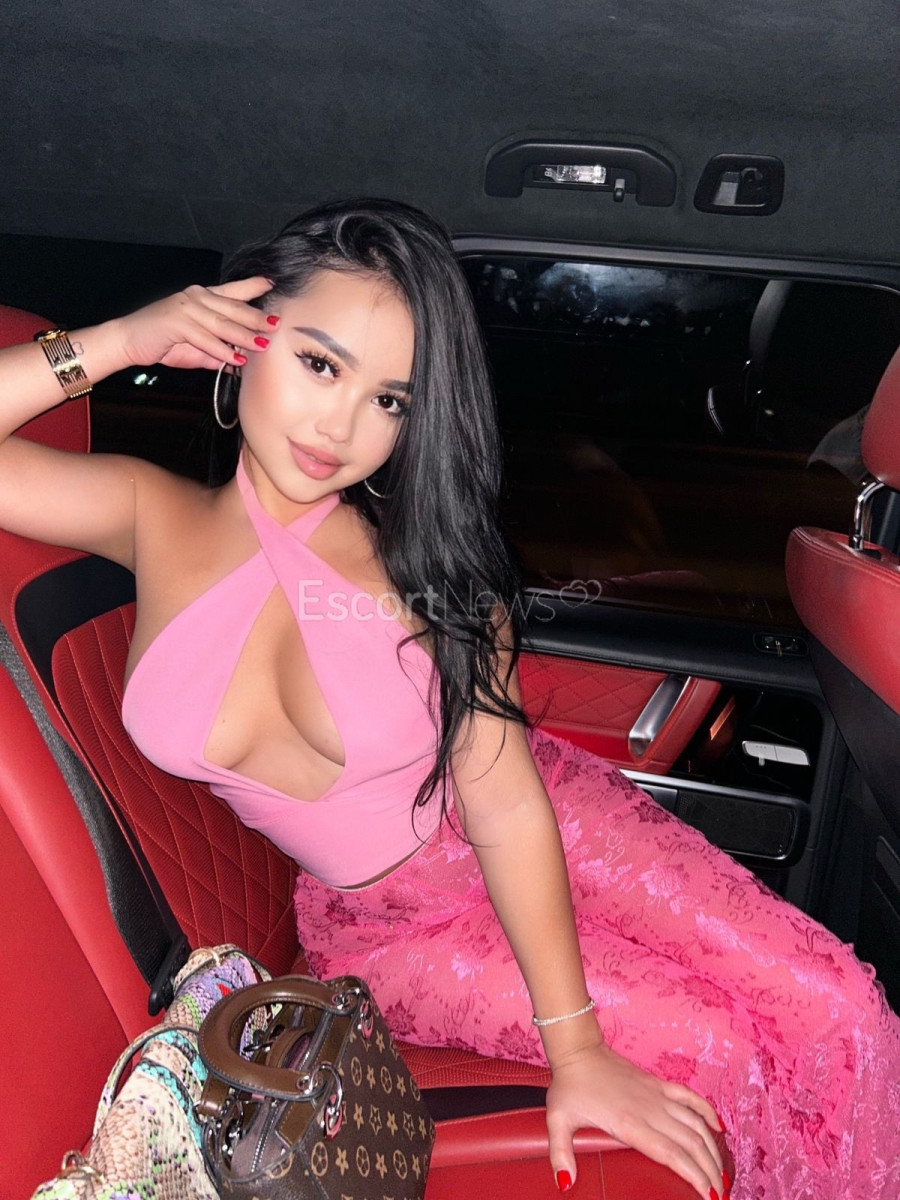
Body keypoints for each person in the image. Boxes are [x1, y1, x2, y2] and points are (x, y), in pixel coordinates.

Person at [1, 199, 897, 1200]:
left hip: (546, 828)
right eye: (320, 364)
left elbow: (506, 807)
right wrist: (125, 339)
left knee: (837, 1008)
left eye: (391, 399)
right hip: (388, 930)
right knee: (715, 1054)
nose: (341, 427)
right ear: (243, 336)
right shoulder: (151, 513)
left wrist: (576, 1048)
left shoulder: (429, 573)